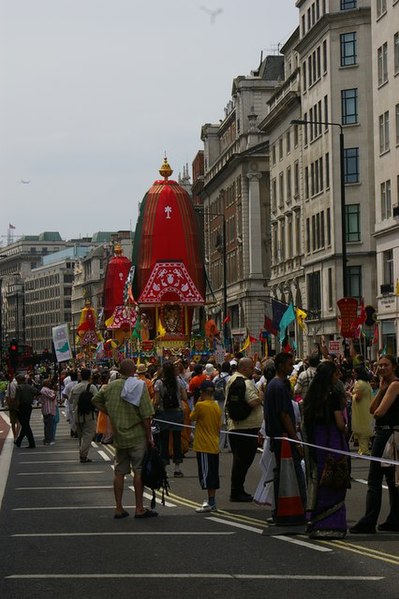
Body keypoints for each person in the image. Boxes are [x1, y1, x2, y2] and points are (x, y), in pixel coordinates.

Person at [92, 359, 157, 519]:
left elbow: (95, 400)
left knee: (119, 472)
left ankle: (119, 507)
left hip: (119, 435)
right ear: (133, 370)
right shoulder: (139, 386)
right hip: (137, 435)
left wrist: (109, 412)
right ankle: (139, 508)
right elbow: (146, 415)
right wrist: (149, 437)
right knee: (138, 471)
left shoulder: (110, 386)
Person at [350, 354, 399, 534]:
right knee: (391, 479)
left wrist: (384, 389)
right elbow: (372, 409)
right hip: (386, 433)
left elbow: (379, 412)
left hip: (388, 434)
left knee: (375, 479)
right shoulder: (386, 385)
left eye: (386, 365)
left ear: (394, 366)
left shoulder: (395, 385)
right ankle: (394, 519)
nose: (382, 368)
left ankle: (369, 520)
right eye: (380, 365)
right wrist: (380, 387)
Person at [302, 361, 349, 539]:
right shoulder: (333, 396)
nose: (338, 378)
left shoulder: (312, 396)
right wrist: (344, 428)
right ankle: (332, 525)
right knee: (334, 479)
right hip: (332, 441)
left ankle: (316, 523)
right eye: (336, 374)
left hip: (316, 442)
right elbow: (339, 423)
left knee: (319, 479)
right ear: (330, 376)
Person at [264, 352, 306, 522]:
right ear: (281, 366)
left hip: (277, 436)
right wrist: (295, 440)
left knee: (281, 473)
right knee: (293, 473)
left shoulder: (273, 385)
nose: (291, 368)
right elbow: (284, 415)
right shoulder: (279, 386)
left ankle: (280, 511)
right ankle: (299, 510)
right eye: (289, 364)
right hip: (284, 438)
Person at [225, 357, 263, 502]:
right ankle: (237, 491)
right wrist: (260, 396)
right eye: (251, 368)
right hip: (245, 428)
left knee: (239, 461)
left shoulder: (232, 379)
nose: (253, 370)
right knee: (243, 461)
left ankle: (237, 490)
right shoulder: (246, 383)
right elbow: (253, 402)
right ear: (244, 368)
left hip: (235, 426)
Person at [190, 380, 222, 513]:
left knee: (206, 476)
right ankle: (211, 501)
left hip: (204, 445)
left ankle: (211, 502)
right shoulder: (216, 406)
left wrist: (197, 402)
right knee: (213, 475)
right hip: (214, 444)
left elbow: (192, 417)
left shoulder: (201, 405)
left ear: (202, 393)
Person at [154, 361, 188, 477]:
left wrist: (154, 410)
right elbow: (184, 397)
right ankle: (177, 468)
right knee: (177, 441)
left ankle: (163, 467)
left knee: (164, 441)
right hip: (177, 413)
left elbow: (157, 401)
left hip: (164, 414)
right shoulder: (179, 382)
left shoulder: (159, 383)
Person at [71, 368, 98, 463]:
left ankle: (82, 454)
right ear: (90, 376)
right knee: (88, 435)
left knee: (81, 436)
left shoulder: (75, 387)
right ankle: (83, 455)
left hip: (77, 414)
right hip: (89, 414)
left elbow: (70, 400)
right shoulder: (92, 387)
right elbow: (97, 399)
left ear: (81, 376)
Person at [351, 365, 373, 455]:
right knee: (365, 428)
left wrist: (350, 395)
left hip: (361, 409)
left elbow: (358, 398)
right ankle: (363, 449)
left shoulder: (359, 383)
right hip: (366, 407)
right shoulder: (366, 382)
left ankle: (364, 450)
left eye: (354, 372)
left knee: (361, 429)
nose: (353, 374)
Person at [14, 374, 39, 448]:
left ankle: (31, 442)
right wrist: (33, 399)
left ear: (19, 380)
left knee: (25, 425)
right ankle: (19, 441)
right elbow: (38, 392)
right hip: (28, 406)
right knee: (25, 424)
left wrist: (16, 408)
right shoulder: (30, 387)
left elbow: (17, 399)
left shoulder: (19, 387)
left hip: (22, 407)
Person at [39, 379, 57, 445]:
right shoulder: (45, 390)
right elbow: (52, 397)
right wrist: (55, 392)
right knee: (49, 426)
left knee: (47, 425)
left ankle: (47, 439)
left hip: (47, 409)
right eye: (49, 382)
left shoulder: (45, 390)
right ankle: (49, 439)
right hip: (48, 409)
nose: (50, 383)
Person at [5, 375, 20, 440]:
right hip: (19, 404)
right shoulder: (20, 385)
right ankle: (18, 434)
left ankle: (14, 436)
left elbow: (7, 396)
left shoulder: (10, 385)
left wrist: (9, 405)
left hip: (12, 404)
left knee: (13, 422)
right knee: (19, 421)